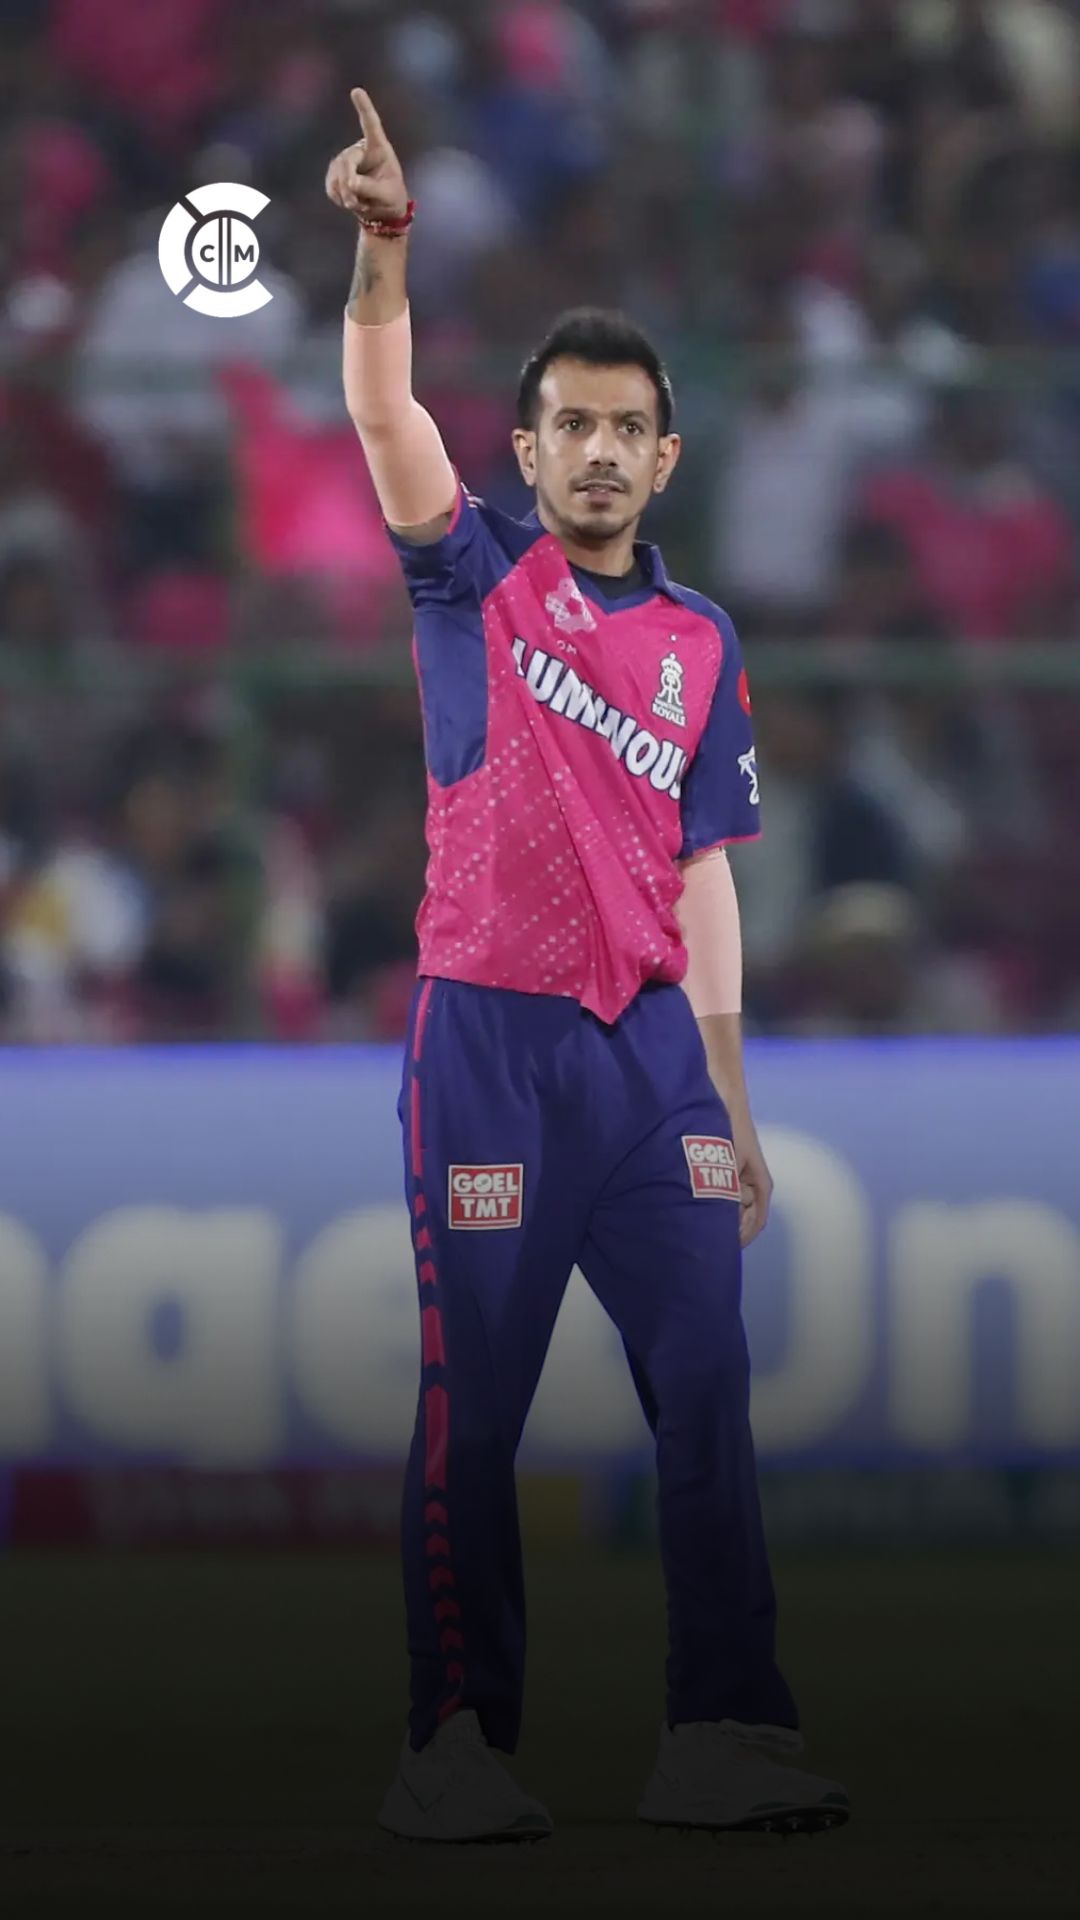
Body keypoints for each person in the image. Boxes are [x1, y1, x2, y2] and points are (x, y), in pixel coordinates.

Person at [326, 88, 849, 1847]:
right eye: (572, 427)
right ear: (531, 451)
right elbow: (383, 410)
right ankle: (451, 1746)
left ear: (667, 458)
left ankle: (722, 1730)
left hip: (648, 1067)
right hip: (487, 1043)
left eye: (629, 428)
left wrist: (733, 1094)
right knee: (474, 1411)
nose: (602, 452)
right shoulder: (471, 580)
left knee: (707, 1386)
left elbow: (706, 874)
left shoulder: (702, 641)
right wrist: (383, 251)